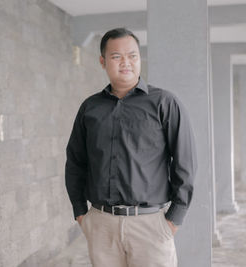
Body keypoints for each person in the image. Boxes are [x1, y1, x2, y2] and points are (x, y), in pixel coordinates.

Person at [65, 28, 197, 267]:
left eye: (132, 55)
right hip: (101, 223)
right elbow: (76, 161)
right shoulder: (90, 108)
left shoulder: (164, 103)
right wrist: (80, 213)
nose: (126, 62)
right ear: (103, 61)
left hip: (150, 225)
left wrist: (174, 219)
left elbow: (184, 162)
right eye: (116, 56)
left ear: (139, 58)